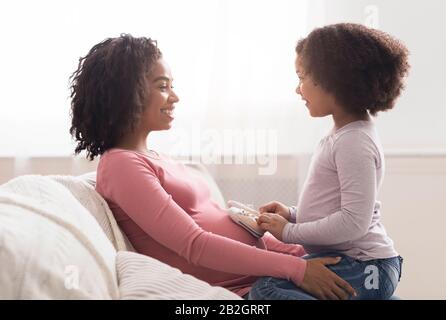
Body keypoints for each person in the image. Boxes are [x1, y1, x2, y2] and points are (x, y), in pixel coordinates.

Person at [69, 33, 356, 300]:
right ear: (127, 93)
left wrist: (298, 252)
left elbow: (219, 222)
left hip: (271, 270)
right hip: (249, 288)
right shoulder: (122, 165)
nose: (175, 96)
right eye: (163, 86)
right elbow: (194, 244)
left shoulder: (157, 157)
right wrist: (298, 269)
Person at [253, 23, 409, 300]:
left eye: (301, 77)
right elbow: (333, 207)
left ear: (333, 79)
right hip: (361, 264)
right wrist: (292, 213)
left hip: (366, 266)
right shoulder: (345, 135)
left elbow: (352, 222)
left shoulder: (353, 142)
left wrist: (289, 232)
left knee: (266, 290)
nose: (297, 89)